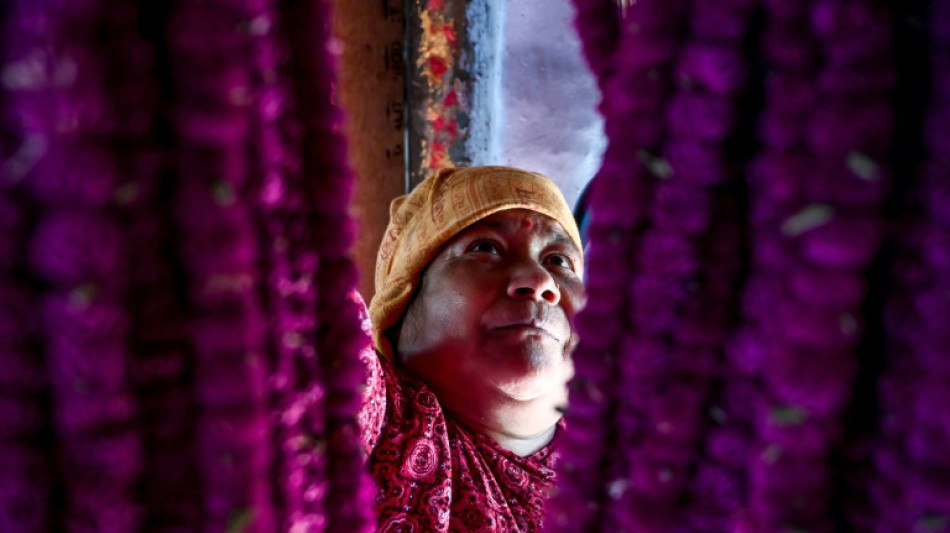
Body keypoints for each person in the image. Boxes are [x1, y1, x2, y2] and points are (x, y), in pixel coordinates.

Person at [357, 166, 585, 532]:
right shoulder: (378, 418)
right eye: (485, 248)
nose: (540, 281)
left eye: (559, 261)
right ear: (403, 308)